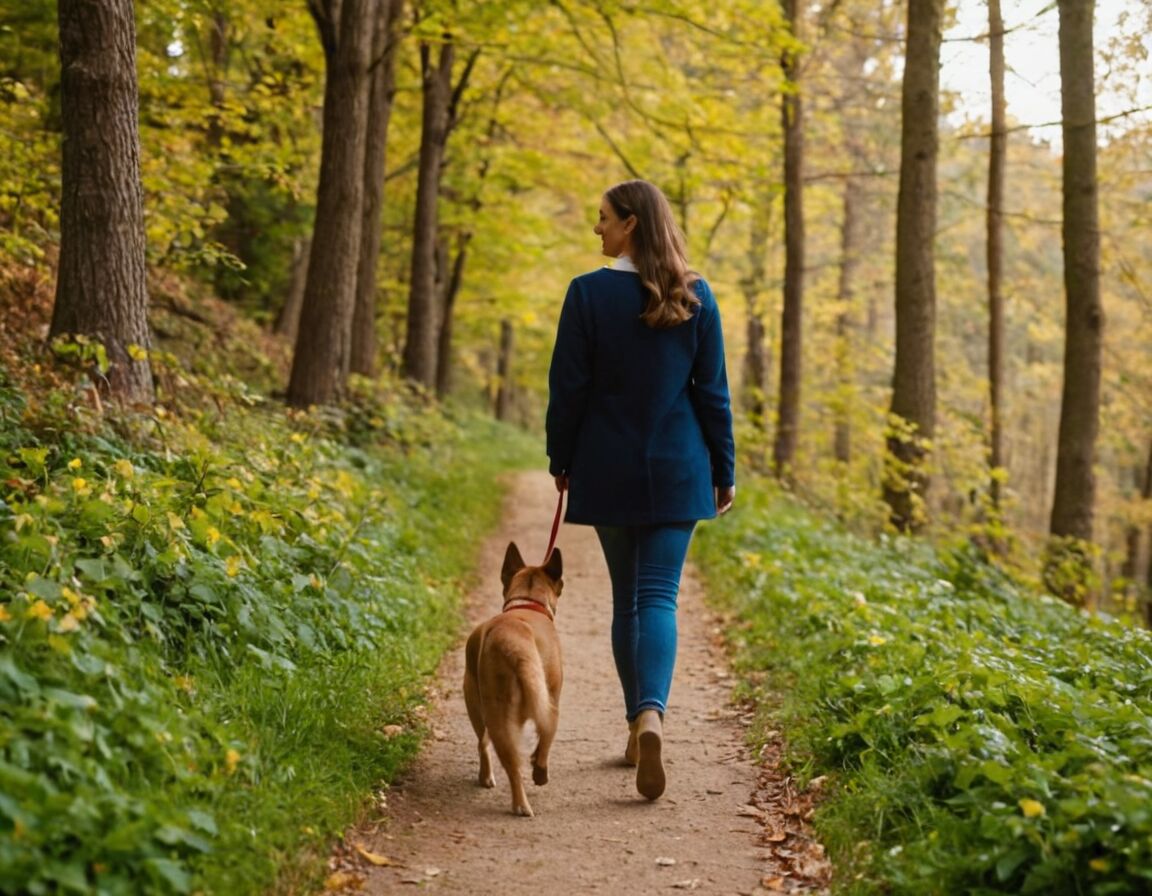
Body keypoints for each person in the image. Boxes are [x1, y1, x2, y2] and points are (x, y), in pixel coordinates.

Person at [545, 179, 736, 801]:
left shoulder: (587, 294)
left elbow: (568, 389)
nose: (596, 227)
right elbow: (713, 394)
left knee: (627, 600)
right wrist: (724, 469)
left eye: (603, 217)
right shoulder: (696, 295)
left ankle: (636, 724)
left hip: (608, 467)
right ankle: (651, 714)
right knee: (659, 597)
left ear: (630, 224)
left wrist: (561, 457)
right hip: (679, 468)